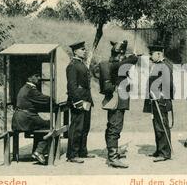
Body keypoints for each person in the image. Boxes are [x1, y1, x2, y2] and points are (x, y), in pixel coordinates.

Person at [101, 40, 139, 168]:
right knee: (115, 128)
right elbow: (132, 61)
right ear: (120, 53)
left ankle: (113, 152)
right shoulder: (116, 65)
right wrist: (133, 55)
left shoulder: (113, 63)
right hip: (117, 100)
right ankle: (112, 158)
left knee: (112, 126)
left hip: (117, 100)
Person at [143, 42, 174, 162]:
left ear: (158, 53)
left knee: (161, 126)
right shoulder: (156, 65)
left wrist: (161, 94)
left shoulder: (165, 65)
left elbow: (169, 84)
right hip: (154, 100)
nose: (150, 57)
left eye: (152, 54)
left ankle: (165, 153)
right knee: (157, 125)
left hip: (161, 101)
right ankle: (159, 150)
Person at [11, 72, 50, 165]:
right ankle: (39, 152)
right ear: (29, 78)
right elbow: (45, 99)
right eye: (36, 76)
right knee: (49, 126)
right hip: (26, 119)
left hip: (18, 119)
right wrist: (55, 99)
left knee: (40, 125)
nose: (39, 78)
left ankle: (36, 152)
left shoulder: (24, 88)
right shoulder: (31, 90)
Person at [66, 41, 94, 163]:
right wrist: (77, 101)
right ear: (75, 51)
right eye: (82, 49)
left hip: (86, 100)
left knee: (85, 126)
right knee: (77, 127)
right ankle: (72, 154)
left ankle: (82, 152)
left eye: (84, 49)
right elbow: (71, 86)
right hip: (79, 101)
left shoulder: (80, 64)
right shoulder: (72, 65)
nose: (84, 51)